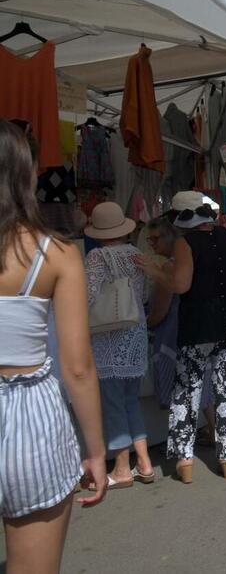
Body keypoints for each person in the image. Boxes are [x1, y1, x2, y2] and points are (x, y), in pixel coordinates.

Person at [0, 119, 106, 572]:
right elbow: (77, 367)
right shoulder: (57, 254)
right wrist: (97, 451)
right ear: (28, 174)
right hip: (30, 420)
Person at [137, 191, 226, 483]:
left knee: (187, 392)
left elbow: (180, 284)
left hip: (198, 328)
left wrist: (155, 271)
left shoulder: (184, 243)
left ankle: (185, 460)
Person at [85, 202, 154, 489]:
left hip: (108, 336)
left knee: (112, 402)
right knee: (129, 401)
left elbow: (87, 296)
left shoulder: (96, 257)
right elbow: (146, 293)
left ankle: (123, 468)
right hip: (135, 332)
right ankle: (145, 462)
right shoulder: (137, 254)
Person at [145, 216, 181, 409]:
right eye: (149, 239)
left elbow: (161, 308)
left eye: (155, 238)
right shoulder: (183, 260)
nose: (151, 243)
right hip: (183, 333)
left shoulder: (169, 266)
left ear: (168, 237)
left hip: (170, 335)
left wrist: (147, 324)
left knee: (175, 393)